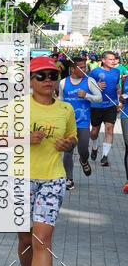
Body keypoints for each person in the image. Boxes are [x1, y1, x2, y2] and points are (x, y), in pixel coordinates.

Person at [17, 56, 77, 266]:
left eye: (52, 75)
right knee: (25, 240)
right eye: (40, 76)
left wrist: (68, 144)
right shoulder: (17, 108)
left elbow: (72, 137)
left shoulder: (65, 109)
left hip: (52, 179)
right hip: (19, 178)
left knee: (41, 239)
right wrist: (23, 138)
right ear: (30, 80)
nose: (47, 80)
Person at [58, 54, 101, 188]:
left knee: (83, 149)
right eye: (81, 67)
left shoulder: (89, 81)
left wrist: (86, 95)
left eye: (85, 67)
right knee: (68, 151)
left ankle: (84, 161)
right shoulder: (63, 83)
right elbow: (60, 101)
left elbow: (99, 98)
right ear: (73, 69)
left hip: (83, 123)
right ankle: (69, 179)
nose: (84, 70)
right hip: (68, 123)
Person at [89, 50, 121, 166]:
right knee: (94, 132)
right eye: (110, 59)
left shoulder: (117, 72)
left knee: (109, 129)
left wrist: (120, 98)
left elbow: (117, 87)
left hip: (111, 105)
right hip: (96, 105)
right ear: (103, 60)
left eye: (114, 59)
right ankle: (94, 146)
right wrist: (96, 86)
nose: (113, 61)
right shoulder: (94, 72)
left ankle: (104, 156)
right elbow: (87, 87)